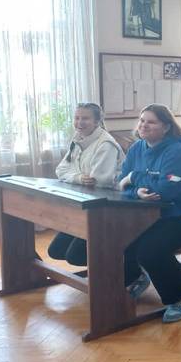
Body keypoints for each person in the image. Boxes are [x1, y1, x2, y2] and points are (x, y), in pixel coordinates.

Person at [118, 104, 181, 323]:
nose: (144, 125)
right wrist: (135, 191)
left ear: (167, 127)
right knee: (121, 237)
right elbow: (120, 183)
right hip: (152, 215)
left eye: (151, 122)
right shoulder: (137, 148)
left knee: (150, 249)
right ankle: (136, 278)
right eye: (142, 120)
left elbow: (165, 191)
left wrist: (134, 178)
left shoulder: (179, 152)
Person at [48, 103, 124, 266]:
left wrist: (76, 176)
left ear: (97, 121)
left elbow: (98, 181)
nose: (79, 122)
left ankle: (119, 268)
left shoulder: (106, 144)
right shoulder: (78, 139)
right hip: (84, 204)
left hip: (106, 209)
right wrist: (79, 178)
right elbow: (61, 170)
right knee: (55, 251)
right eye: (77, 118)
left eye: (85, 118)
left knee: (75, 256)